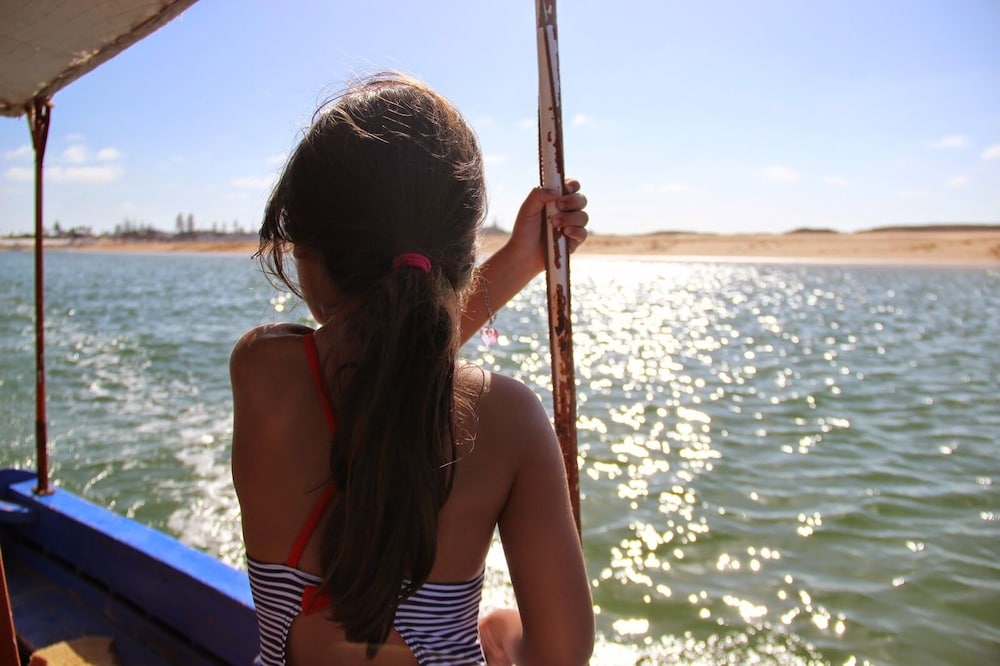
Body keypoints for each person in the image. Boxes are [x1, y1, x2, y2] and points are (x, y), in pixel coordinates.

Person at [230, 72, 593, 666]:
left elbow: (387, 344)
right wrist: (501, 632)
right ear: (463, 253)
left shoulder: (261, 372)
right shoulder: (511, 421)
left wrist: (517, 262)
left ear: (309, 262)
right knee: (501, 626)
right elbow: (560, 657)